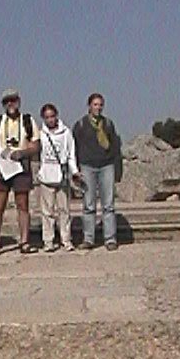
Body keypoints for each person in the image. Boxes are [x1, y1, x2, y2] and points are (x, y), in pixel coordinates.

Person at [0, 89, 40, 256]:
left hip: (21, 167)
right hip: (2, 167)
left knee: (23, 205)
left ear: (18, 101)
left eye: (13, 100)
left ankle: (24, 241)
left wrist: (23, 153)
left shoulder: (28, 121)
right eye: (7, 101)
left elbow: (36, 145)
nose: (10, 104)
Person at [73, 92, 120, 251]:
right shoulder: (80, 125)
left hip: (106, 165)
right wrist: (75, 170)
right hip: (87, 166)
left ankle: (110, 239)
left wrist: (117, 168)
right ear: (89, 106)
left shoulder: (108, 124)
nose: (98, 108)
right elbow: (75, 148)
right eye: (95, 104)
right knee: (88, 204)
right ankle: (88, 239)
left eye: (100, 105)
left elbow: (115, 146)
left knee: (108, 205)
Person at [38, 103, 81, 252]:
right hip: (46, 175)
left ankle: (66, 239)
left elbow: (71, 154)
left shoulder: (66, 133)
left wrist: (74, 171)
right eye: (47, 117)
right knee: (47, 211)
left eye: (52, 116)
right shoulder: (41, 134)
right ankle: (48, 240)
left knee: (64, 210)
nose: (50, 120)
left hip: (61, 175)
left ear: (56, 116)